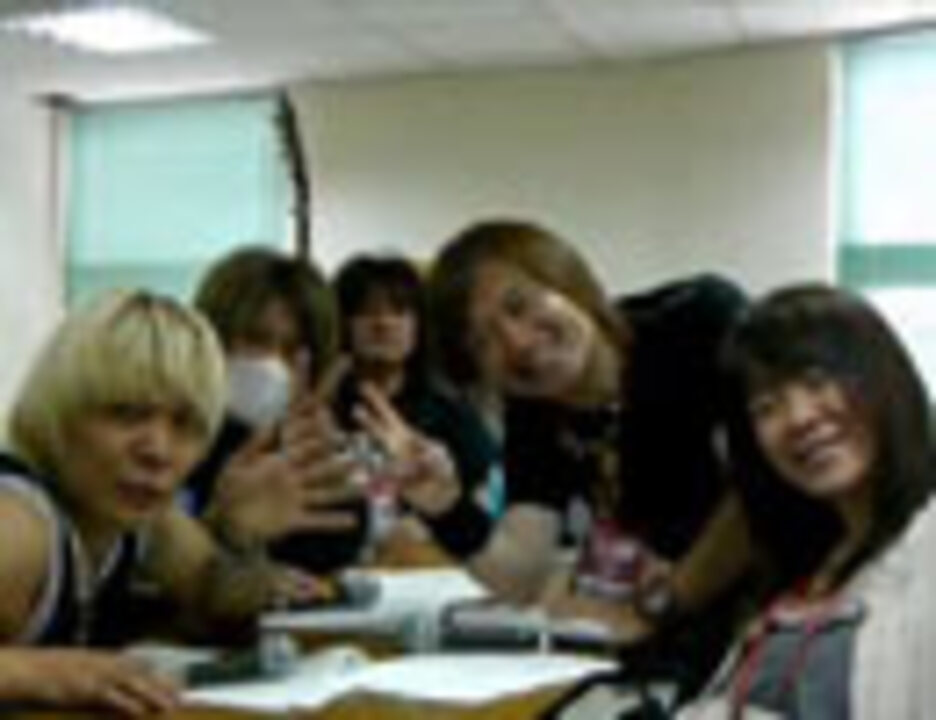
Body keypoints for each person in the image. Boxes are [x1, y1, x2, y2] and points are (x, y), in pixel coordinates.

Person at [356, 218, 749, 692]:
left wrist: (662, 602)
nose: (518, 343)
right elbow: (520, 574)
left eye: (519, 305)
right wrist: (447, 510)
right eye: (483, 341)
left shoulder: (698, 323)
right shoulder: (535, 410)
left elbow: (764, 491)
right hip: (678, 651)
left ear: (566, 278)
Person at [0, 290, 303, 715]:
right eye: (126, 413)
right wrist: (37, 674)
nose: (158, 450)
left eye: (185, 424)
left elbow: (216, 604)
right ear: (60, 415)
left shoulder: (141, 520)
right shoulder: (17, 525)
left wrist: (240, 534)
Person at [677, 283, 936, 718]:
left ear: (883, 379)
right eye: (766, 406)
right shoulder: (809, 564)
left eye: (817, 381)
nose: (798, 418)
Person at [188, 246, 368, 573]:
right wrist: (226, 531)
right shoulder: (175, 436)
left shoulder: (303, 435)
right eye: (256, 340)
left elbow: (340, 541)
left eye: (293, 349)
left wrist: (325, 457)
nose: (274, 364)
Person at [332, 253, 499, 537]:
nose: (383, 323)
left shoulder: (452, 415)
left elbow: (490, 511)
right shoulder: (318, 410)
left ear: (418, 326)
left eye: (399, 311)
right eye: (367, 311)